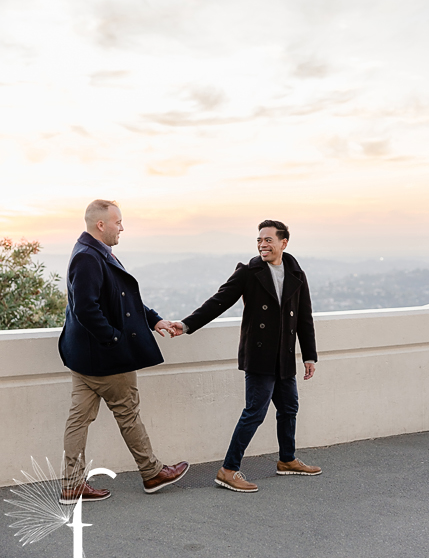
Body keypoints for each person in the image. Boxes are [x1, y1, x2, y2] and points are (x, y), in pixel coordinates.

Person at [171, 220, 319, 493]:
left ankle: (286, 460)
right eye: (259, 240)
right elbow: (219, 301)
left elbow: (304, 318)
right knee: (255, 412)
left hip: (284, 357)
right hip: (260, 355)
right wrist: (187, 324)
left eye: (268, 240)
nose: (263, 244)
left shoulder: (296, 273)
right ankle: (228, 469)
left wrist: (309, 355)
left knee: (289, 409)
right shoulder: (249, 272)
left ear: (283, 243)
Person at [58, 200, 189, 504]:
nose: (122, 227)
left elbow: (123, 300)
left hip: (83, 358)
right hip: (105, 358)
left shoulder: (91, 253)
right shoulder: (89, 258)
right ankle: (152, 472)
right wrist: (115, 340)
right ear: (100, 225)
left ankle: (72, 484)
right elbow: (86, 309)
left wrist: (154, 319)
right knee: (128, 412)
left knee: (78, 420)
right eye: (118, 222)